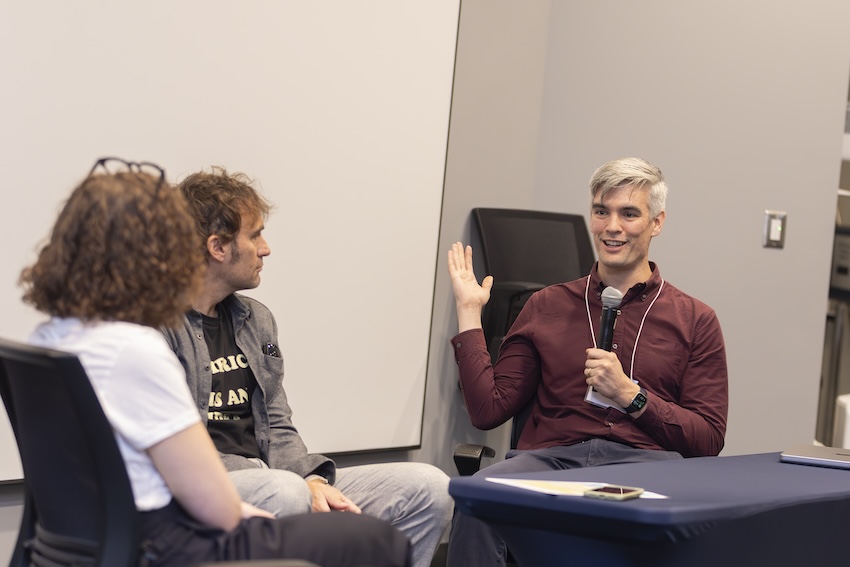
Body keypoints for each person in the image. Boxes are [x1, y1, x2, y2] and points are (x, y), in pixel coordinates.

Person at [21, 158, 412, 567]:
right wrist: (254, 509)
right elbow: (213, 502)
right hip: (171, 542)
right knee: (374, 541)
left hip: (116, 534)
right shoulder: (136, 348)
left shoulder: (52, 338)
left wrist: (298, 483)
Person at [161, 166, 453, 567]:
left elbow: (277, 423)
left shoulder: (255, 319)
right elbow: (179, 451)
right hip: (211, 488)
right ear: (218, 247)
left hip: (280, 478)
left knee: (429, 487)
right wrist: (287, 480)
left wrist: (312, 478)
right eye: (255, 234)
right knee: (285, 492)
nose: (266, 248)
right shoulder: (158, 330)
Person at [445, 157, 729, 566]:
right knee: (480, 499)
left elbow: (707, 440)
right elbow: (488, 409)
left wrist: (632, 396)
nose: (612, 226)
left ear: (657, 222)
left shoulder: (695, 319)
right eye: (601, 211)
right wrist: (469, 313)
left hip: (647, 467)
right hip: (553, 462)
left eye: (629, 213)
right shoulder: (547, 304)